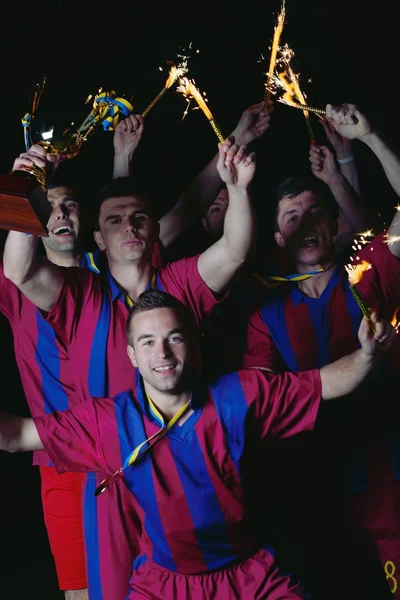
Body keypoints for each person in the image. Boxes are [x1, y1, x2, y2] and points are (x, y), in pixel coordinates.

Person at [0, 290, 395, 600]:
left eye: (174, 338)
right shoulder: (107, 422)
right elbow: (17, 435)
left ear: (192, 343)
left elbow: (325, 382)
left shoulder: (240, 395)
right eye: (149, 342)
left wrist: (367, 355)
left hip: (248, 576)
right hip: (165, 585)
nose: (163, 353)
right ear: (132, 356)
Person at [2, 130, 257, 599]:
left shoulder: (178, 283)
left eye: (140, 217)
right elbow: (19, 271)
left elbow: (234, 251)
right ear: (98, 237)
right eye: (116, 220)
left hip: (185, 468)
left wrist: (238, 189)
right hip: (110, 472)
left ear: (155, 228)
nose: (130, 227)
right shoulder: (81, 293)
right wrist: (26, 185)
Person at [242, 102, 400, 598]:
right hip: (315, 492)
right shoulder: (263, 314)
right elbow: (264, 402)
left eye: (316, 212)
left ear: (335, 227)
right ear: (277, 235)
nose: (305, 222)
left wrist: (371, 138)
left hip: (389, 479)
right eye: (292, 215)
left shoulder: (368, 273)